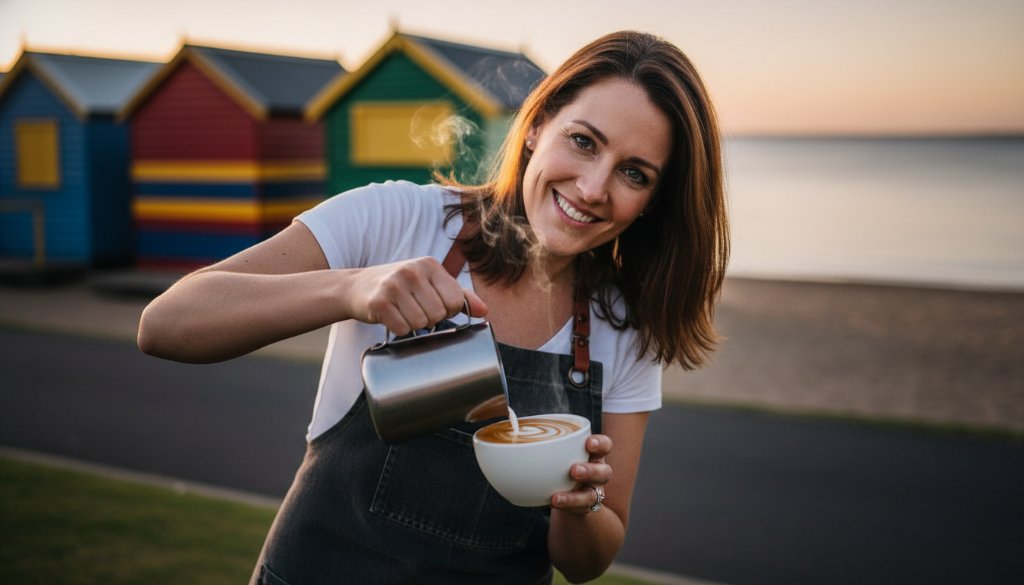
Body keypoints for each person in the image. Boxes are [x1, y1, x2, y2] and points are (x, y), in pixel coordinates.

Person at [138, 29, 728, 585]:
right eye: (583, 141)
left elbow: (589, 561)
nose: (595, 187)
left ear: (654, 200)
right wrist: (350, 288)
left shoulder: (625, 326)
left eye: (633, 173)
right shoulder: (397, 217)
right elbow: (166, 324)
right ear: (536, 126)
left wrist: (580, 507)